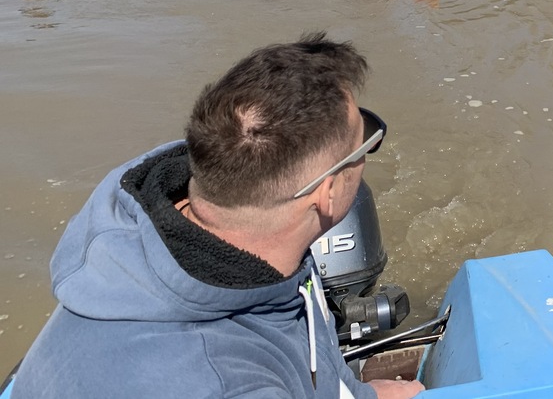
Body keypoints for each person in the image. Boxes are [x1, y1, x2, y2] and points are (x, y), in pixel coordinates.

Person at [9, 34, 424, 399]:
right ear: (327, 194)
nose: (371, 143)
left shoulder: (191, 225)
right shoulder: (220, 381)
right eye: (366, 138)